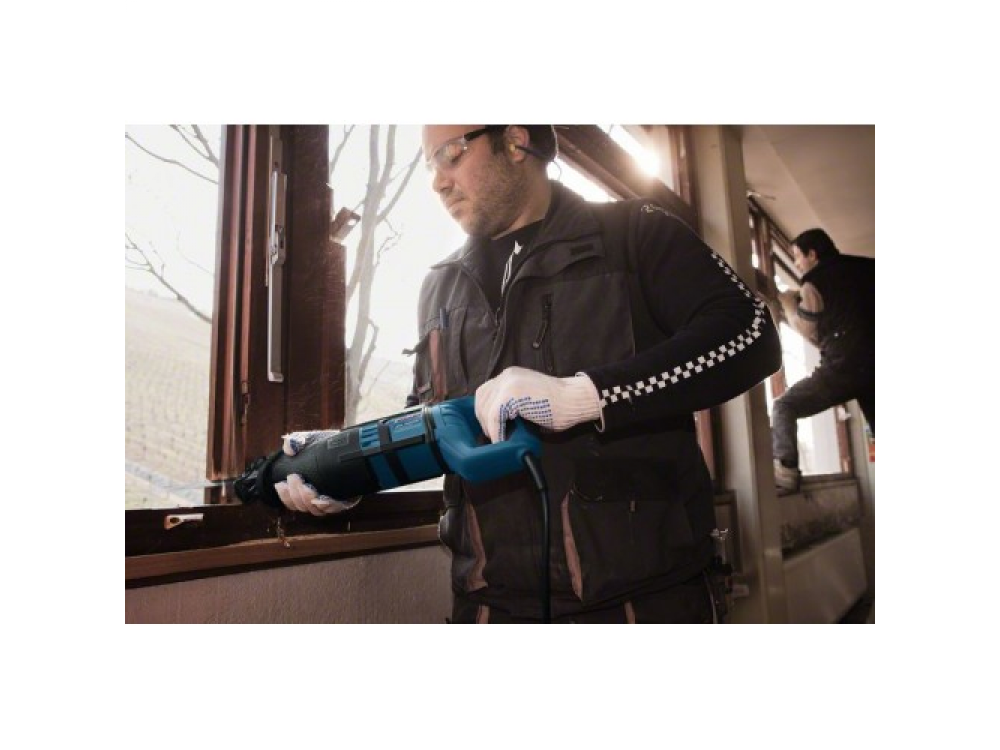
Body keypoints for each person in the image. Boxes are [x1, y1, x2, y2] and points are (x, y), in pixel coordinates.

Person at [279, 124, 782, 623]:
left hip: (644, 603)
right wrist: (344, 464)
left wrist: (585, 396)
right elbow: (432, 426)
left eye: (450, 155)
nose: (437, 182)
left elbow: (751, 334)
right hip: (489, 608)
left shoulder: (635, 234)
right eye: (431, 166)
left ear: (516, 140)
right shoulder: (440, 287)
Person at [768, 228, 874, 494]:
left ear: (812, 254)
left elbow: (807, 328)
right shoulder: (868, 267)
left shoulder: (814, 282)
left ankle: (786, 474)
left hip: (844, 366)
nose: (796, 264)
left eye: (797, 257)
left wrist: (788, 305)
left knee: (784, 406)